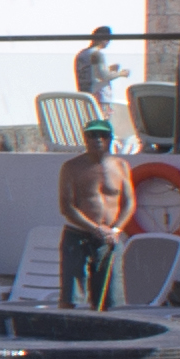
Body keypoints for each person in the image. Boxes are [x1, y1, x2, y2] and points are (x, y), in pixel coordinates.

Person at [58, 120, 134, 310]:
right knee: (71, 297)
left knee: (110, 301)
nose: (97, 140)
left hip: (109, 239)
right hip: (79, 236)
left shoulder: (121, 166)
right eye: (92, 135)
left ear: (110, 138)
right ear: (85, 138)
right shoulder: (71, 167)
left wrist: (115, 230)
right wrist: (94, 228)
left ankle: (105, 335)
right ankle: (65, 334)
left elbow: (130, 202)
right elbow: (67, 206)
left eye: (102, 135)